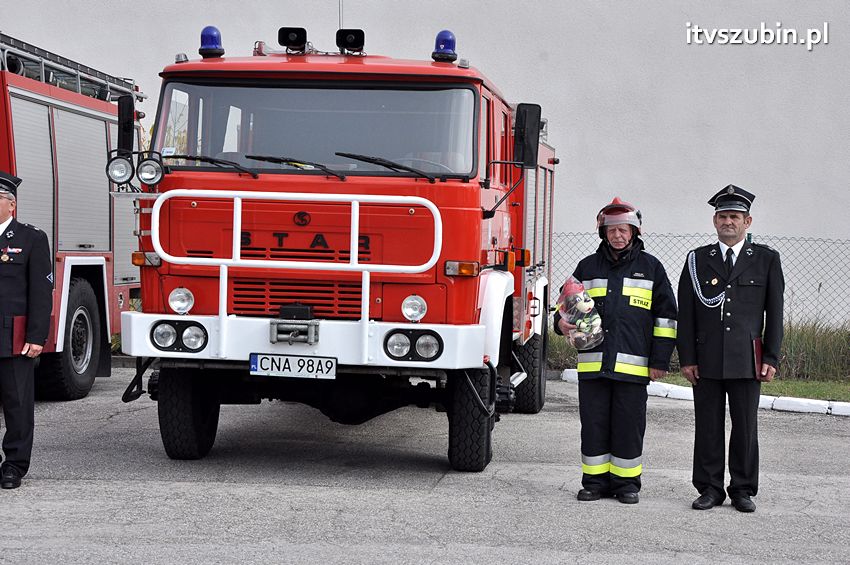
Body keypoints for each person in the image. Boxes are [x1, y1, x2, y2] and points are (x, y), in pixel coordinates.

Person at [554, 197, 677, 504]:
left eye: (624, 230)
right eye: (612, 231)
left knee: (629, 426)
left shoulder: (652, 268)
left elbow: (666, 318)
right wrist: (561, 325)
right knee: (594, 424)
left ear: (635, 232)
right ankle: (594, 483)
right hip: (594, 366)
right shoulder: (587, 266)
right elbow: (564, 308)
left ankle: (626, 484)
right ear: (603, 233)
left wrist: (660, 359)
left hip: (633, 369)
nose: (618, 236)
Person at [677, 184, 784, 513]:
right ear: (714, 221)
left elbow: (774, 313)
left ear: (747, 222)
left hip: (746, 359)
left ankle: (742, 489)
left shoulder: (765, 259)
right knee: (707, 426)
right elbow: (687, 313)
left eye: (735, 217)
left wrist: (771, 358)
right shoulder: (697, 260)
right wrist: (688, 359)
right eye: (723, 216)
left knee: (745, 426)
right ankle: (710, 488)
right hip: (706, 359)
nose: (728, 222)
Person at [0, 171, 53, 490]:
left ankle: (14, 465)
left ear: (11, 205)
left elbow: (41, 292)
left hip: (13, 336)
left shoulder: (31, 238)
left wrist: (36, 336)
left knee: (17, 403)